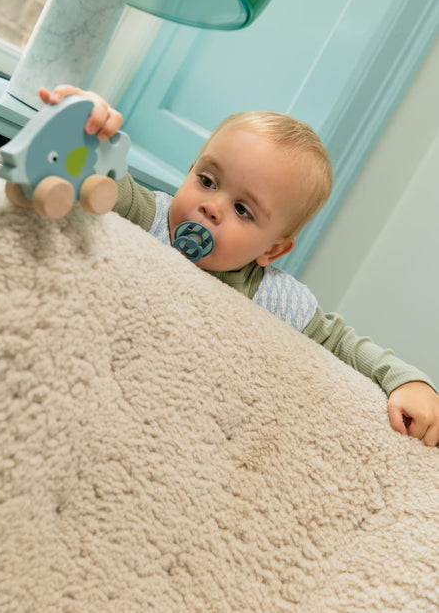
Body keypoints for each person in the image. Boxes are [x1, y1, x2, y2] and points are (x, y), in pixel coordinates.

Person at [39, 85, 439, 446]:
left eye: (243, 210)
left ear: (273, 250)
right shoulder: (152, 217)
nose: (211, 206)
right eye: (207, 181)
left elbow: (342, 344)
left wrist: (407, 380)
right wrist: (85, 126)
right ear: (191, 170)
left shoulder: (275, 296)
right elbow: (95, 178)